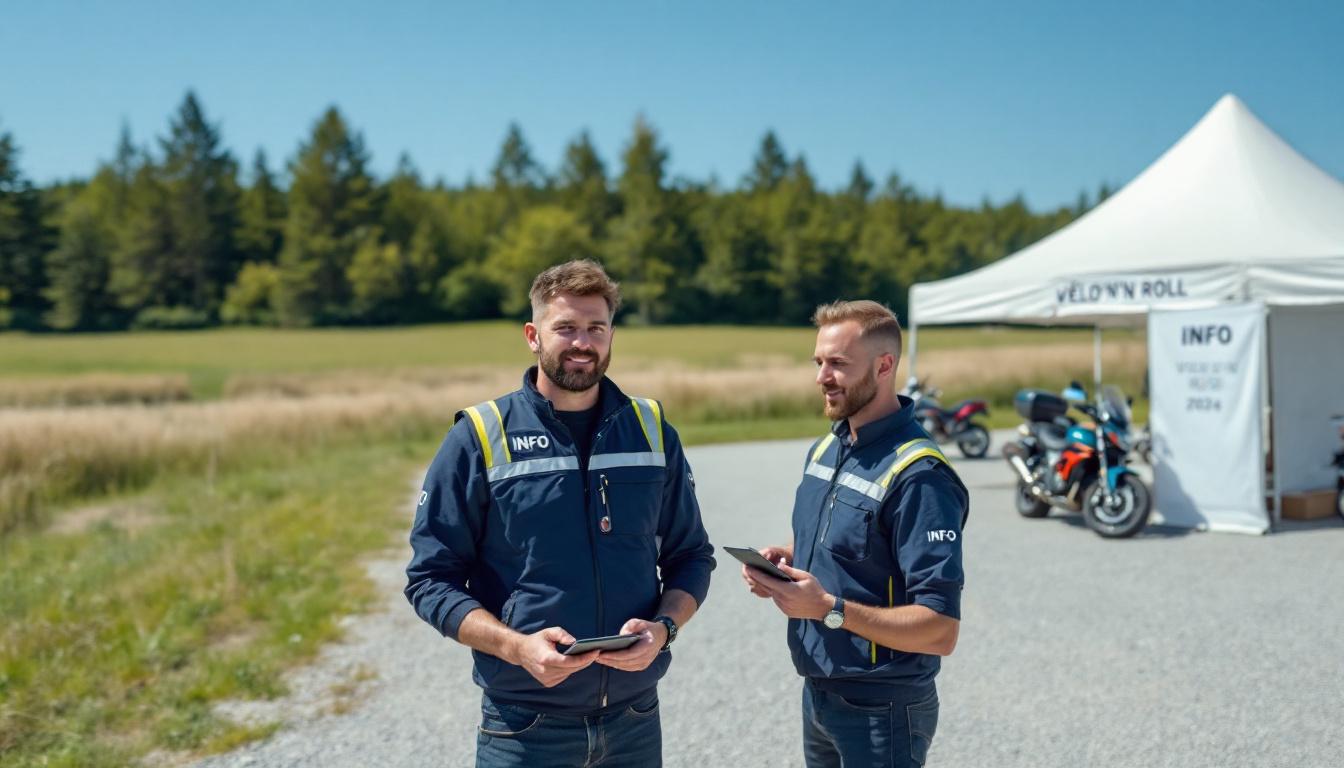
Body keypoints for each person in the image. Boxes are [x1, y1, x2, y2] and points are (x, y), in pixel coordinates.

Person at [406, 259, 715, 767]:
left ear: (611, 335)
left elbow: (692, 557)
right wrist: (516, 648)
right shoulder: (479, 437)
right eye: (566, 327)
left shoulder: (652, 430)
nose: (582, 343)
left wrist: (664, 628)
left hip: (635, 720)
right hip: (524, 728)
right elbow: (429, 580)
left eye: (596, 328)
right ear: (533, 336)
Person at [742, 300, 968, 768]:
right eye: (819, 362)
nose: (822, 377)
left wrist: (826, 608)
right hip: (819, 691)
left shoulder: (920, 476)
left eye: (838, 364)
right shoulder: (828, 446)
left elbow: (940, 630)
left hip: (883, 707)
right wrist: (787, 560)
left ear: (884, 366)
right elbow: (852, 545)